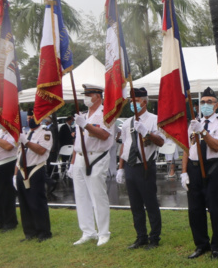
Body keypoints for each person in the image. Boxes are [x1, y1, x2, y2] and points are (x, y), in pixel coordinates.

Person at [116, 88, 166, 250]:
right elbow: (124, 145)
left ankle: (154, 237)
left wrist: (147, 133)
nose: (132, 103)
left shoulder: (154, 119)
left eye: (135, 101)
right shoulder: (127, 122)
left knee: (150, 203)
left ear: (144, 102)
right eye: (131, 101)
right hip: (130, 165)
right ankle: (141, 237)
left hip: (145, 165)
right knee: (135, 204)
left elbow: (160, 142)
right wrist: (120, 167)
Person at [180, 87, 218, 259]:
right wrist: (184, 172)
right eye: (202, 102)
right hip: (193, 169)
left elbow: (216, 146)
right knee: (194, 210)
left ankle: (217, 246)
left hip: (211, 168)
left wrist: (203, 131)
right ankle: (201, 244)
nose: (205, 105)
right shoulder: (193, 123)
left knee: (214, 209)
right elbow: (187, 148)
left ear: (216, 105)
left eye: (209, 102)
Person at [70, 84, 116, 246]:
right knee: (81, 197)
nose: (86, 97)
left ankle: (103, 232)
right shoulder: (83, 115)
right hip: (80, 157)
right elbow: (78, 141)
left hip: (97, 157)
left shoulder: (106, 114)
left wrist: (85, 125)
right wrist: (72, 162)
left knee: (98, 196)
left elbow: (104, 135)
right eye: (85, 94)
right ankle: (88, 231)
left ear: (98, 96)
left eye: (89, 94)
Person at [14, 110, 53, 242]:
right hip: (22, 169)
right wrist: (15, 174)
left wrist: (27, 142)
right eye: (28, 117)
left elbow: (42, 151)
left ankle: (43, 232)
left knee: (37, 202)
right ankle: (29, 232)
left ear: (39, 118)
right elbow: (19, 154)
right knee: (24, 203)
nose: (29, 119)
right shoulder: (27, 133)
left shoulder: (45, 133)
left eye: (32, 117)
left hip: (35, 169)